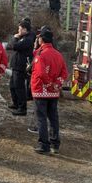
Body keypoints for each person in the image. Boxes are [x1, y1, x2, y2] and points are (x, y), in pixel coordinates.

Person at [31, 27, 68, 155]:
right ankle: (55, 144)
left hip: (40, 90)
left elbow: (41, 73)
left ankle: (44, 145)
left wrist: (49, 84)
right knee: (53, 117)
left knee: (41, 118)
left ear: (41, 39)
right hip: (53, 93)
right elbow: (64, 73)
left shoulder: (41, 55)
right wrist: (57, 84)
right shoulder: (58, 54)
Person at [7, 20, 34, 116]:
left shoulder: (28, 39)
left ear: (25, 29)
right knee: (12, 86)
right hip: (16, 64)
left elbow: (15, 46)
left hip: (21, 66)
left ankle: (22, 108)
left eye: (20, 29)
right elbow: (10, 46)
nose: (18, 31)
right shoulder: (22, 37)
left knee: (19, 87)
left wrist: (15, 38)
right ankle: (16, 103)